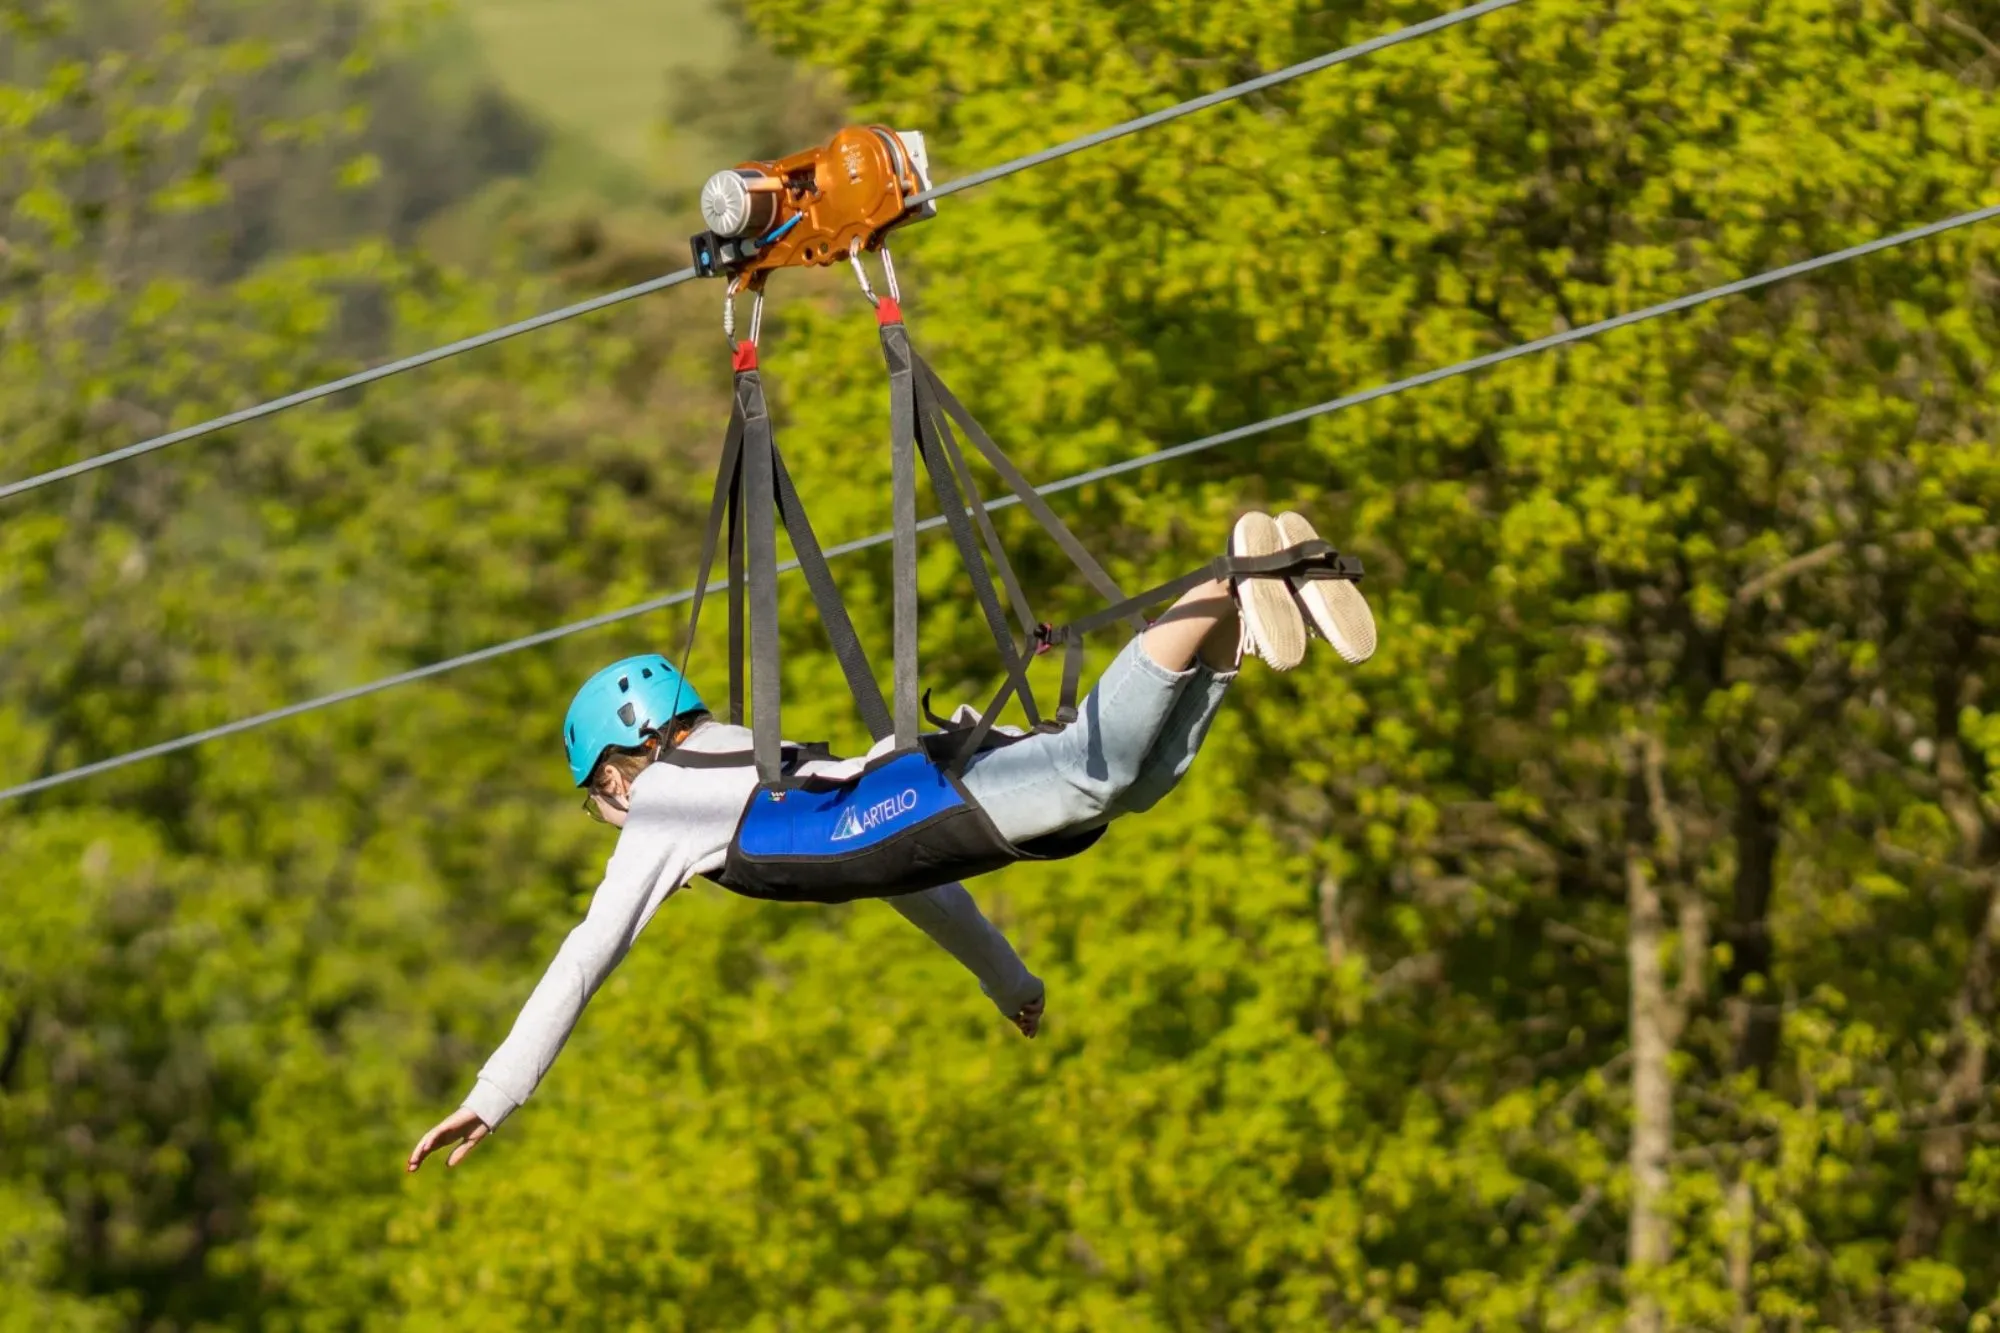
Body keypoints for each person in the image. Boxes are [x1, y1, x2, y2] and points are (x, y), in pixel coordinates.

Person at [407, 510, 1374, 1172]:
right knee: (1132, 786)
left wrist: (497, 1090)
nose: (611, 818)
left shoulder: (665, 803)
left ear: (619, 771)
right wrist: (1007, 978)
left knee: (1099, 769)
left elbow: (587, 952)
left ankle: (1228, 580)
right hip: (914, 797)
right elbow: (910, 877)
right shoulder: (750, 764)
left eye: (600, 799)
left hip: (921, 795)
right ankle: (1250, 609)